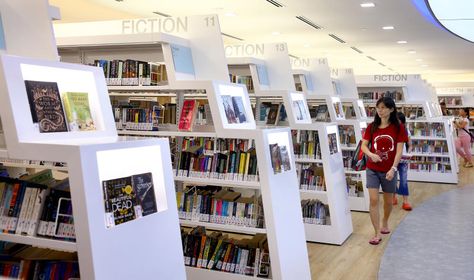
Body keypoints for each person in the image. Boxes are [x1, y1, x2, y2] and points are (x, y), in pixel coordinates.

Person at [361, 97, 408, 245]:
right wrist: (371, 154)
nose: (380, 110)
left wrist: (393, 169)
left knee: (388, 202)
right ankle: (376, 233)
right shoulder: (371, 127)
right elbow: (364, 146)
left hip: (389, 170)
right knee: (374, 200)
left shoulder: (399, 128)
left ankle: (385, 222)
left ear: (391, 109)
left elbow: (399, 150)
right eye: (378, 107)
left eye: (383, 107)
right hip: (372, 169)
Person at [393, 112, 413, 211]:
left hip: (403, 159)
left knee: (403, 179)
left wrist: (408, 153)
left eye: (399, 122)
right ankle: (394, 196)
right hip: (393, 159)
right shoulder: (391, 130)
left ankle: (405, 201)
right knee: (392, 179)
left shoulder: (406, 131)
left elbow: (410, 145)